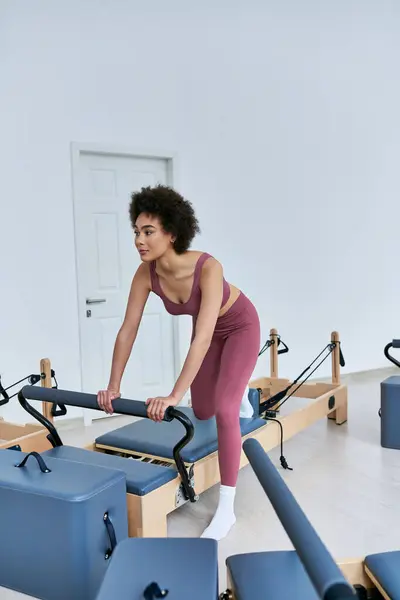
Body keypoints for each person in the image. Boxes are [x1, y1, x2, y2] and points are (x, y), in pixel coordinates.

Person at [97, 184, 261, 541]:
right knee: (203, 410)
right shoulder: (146, 274)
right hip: (209, 334)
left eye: (148, 232)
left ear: (171, 234)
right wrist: (113, 385)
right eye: (137, 232)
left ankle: (226, 509)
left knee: (226, 409)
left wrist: (173, 395)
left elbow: (202, 336)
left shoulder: (208, 267)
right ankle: (240, 390)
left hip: (239, 327)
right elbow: (128, 329)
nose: (139, 240)